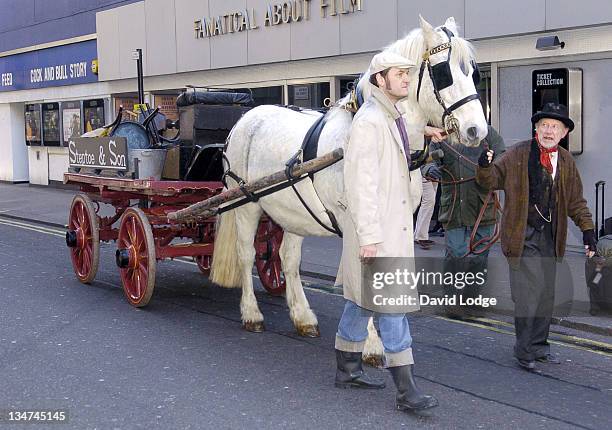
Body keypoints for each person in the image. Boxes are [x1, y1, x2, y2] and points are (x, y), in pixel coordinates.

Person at [335, 51, 444, 415]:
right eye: (400, 74)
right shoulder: (368, 123)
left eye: (408, 74)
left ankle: (347, 371)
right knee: (393, 307)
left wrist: (425, 130)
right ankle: (407, 391)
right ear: (380, 79)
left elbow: (399, 134)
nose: (406, 79)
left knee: (360, 301)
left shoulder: (386, 115)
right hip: (378, 233)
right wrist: (369, 238)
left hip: (385, 231)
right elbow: (360, 185)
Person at [476, 103, 596, 371]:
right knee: (528, 294)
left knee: (546, 295)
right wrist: (484, 166)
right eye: (544, 125)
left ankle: (540, 346)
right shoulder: (517, 154)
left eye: (555, 126)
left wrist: (588, 231)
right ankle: (524, 349)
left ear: (564, 132)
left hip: (551, 238)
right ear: (536, 128)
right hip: (522, 236)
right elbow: (491, 180)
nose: (549, 130)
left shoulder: (565, 161)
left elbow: (576, 202)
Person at [423, 126, 506, 318]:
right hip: (454, 206)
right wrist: (431, 169)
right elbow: (424, 161)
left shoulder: (489, 133)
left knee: (479, 257)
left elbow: (504, 160)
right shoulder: (442, 132)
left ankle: (471, 299)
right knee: (455, 254)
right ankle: (452, 301)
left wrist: (490, 163)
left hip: (482, 206)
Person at [413, 162, 439, 250]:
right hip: (424, 170)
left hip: (434, 169)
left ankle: (421, 235)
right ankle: (420, 236)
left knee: (430, 203)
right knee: (428, 202)